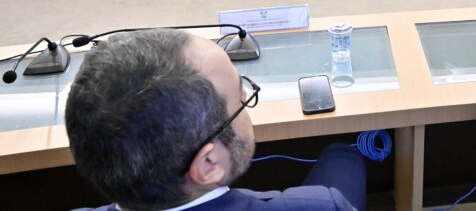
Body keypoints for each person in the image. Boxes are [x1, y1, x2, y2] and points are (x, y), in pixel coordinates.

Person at [65, 29, 367, 211]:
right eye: (240, 97)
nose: (247, 95)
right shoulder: (324, 205)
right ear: (208, 165)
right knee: (343, 156)